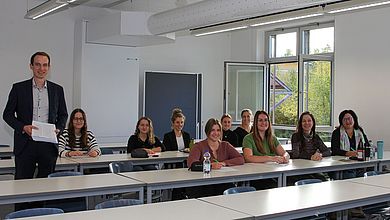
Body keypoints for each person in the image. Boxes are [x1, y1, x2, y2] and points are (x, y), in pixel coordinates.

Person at [3, 52, 68, 210]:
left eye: (45, 65)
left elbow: (63, 114)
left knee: (45, 187)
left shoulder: (57, 90)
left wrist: (58, 129)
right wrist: (22, 127)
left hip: (48, 145)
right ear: (31, 66)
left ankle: (41, 214)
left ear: (49, 67)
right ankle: (20, 214)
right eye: (38, 64)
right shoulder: (19, 88)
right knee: (22, 186)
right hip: (26, 144)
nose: (41, 68)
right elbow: (7, 115)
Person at [186, 118, 244, 198]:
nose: (216, 133)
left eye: (218, 130)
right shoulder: (199, 146)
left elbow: (240, 159)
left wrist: (224, 163)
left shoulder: (225, 145)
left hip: (222, 182)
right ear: (207, 131)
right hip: (203, 184)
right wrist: (210, 166)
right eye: (213, 130)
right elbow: (192, 164)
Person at [242, 110, 288, 190]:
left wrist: (285, 157)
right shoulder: (248, 138)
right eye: (260, 120)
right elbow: (248, 158)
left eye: (266, 120)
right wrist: (271, 158)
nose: (263, 123)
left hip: (273, 173)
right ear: (255, 123)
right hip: (257, 176)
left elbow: (285, 153)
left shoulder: (272, 138)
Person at [289, 112, 331, 183]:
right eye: (304, 121)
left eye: (309, 121)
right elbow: (296, 154)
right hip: (300, 169)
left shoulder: (315, 137)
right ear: (300, 124)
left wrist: (320, 155)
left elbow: (327, 151)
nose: (307, 123)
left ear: (313, 123)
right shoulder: (296, 136)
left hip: (313, 168)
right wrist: (311, 157)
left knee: (323, 179)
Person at [331, 110, 369, 180]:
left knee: (363, 176)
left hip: (358, 163)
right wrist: (347, 153)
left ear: (354, 119)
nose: (348, 121)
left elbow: (367, 145)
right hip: (342, 165)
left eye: (349, 119)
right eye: (345, 119)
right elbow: (334, 150)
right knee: (350, 174)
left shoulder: (359, 131)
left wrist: (360, 153)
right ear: (341, 121)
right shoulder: (336, 133)